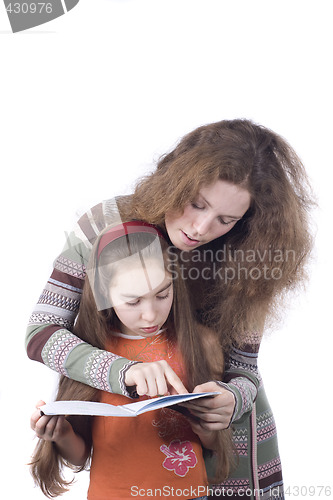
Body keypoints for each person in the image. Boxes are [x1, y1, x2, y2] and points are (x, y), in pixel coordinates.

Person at [26, 119, 314, 499]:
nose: (200, 227)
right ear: (176, 180)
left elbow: (244, 370)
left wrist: (233, 400)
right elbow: (42, 333)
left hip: (230, 450)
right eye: (197, 203)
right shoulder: (105, 227)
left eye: (225, 220)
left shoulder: (250, 253)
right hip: (134, 457)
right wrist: (124, 373)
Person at [30, 221, 233, 499]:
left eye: (162, 294)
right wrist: (61, 434)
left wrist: (207, 427)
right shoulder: (91, 354)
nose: (150, 315)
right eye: (133, 302)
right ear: (104, 294)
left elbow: (215, 445)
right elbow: (80, 457)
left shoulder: (199, 343)